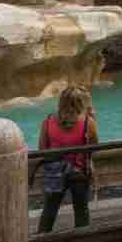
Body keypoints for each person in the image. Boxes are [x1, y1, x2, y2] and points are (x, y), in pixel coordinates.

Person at [38, 86, 98, 233]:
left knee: (49, 210)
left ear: (61, 102)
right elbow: (94, 147)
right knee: (81, 209)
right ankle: (82, 240)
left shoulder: (48, 121)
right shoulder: (88, 122)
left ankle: (42, 240)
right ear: (80, 103)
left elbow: (42, 149)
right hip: (79, 172)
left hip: (54, 172)